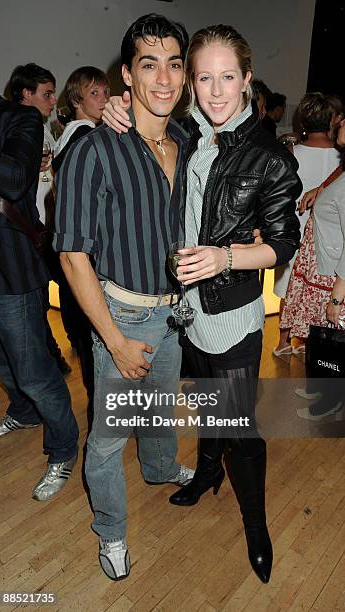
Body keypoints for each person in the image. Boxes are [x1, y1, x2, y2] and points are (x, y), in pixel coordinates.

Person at [104, 23, 301, 584]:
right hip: (183, 309)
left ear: (247, 79)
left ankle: (257, 525)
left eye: (228, 78)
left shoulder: (268, 155)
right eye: (205, 78)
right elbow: (145, 114)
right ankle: (207, 470)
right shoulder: (190, 133)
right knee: (205, 399)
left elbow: (283, 243)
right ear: (193, 82)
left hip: (231, 310)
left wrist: (225, 257)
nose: (216, 92)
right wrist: (118, 109)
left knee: (240, 425)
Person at [53, 14, 195, 582]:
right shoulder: (93, 150)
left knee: (161, 404)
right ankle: (111, 531)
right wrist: (113, 341)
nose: (163, 78)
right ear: (127, 76)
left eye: (174, 63)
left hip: (175, 311)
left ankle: (161, 468)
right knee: (110, 438)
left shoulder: (186, 140)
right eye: (148, 64)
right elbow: (71, 256)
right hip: (122, 315)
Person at [0, 90, 79, 501]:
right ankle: (24, 412)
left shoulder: (20, 119)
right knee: (0, 362)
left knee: (34, 372)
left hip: (11, 272)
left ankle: (63, 447)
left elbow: (12, 180)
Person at [8, 62, 71, 375]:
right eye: (47, 94)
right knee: (36, 304)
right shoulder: (13, 129)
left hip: (48, 231)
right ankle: (50, 359)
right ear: (25, 94)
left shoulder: (45, 128)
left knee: (56, 298)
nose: (53, 100)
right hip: (27, 234)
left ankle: (56, 356)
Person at [52, 66, 111, 402]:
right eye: (95, 94)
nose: (103, 99)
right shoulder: (84, 135)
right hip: (84, 249)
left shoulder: (73, 133)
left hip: (75, 246)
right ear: (77, 100)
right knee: (93, 341)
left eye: (104, 92)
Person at [280, 118, 345, 419]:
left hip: (335, 275)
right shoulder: (342, 168)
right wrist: (320, 189)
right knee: (322, 337)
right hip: (324, 266)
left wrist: (337, 296)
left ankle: (329, 405)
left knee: (334, 342)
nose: (339, 121)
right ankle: (323, 391)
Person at [273, 93, 340, 357]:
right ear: (331, 121)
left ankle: (283, 342)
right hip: (331, 239)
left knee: (288, 290)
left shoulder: (291, 153)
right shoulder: (341, 159)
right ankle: (310, 345)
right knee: (319, 293)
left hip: (295, 234)